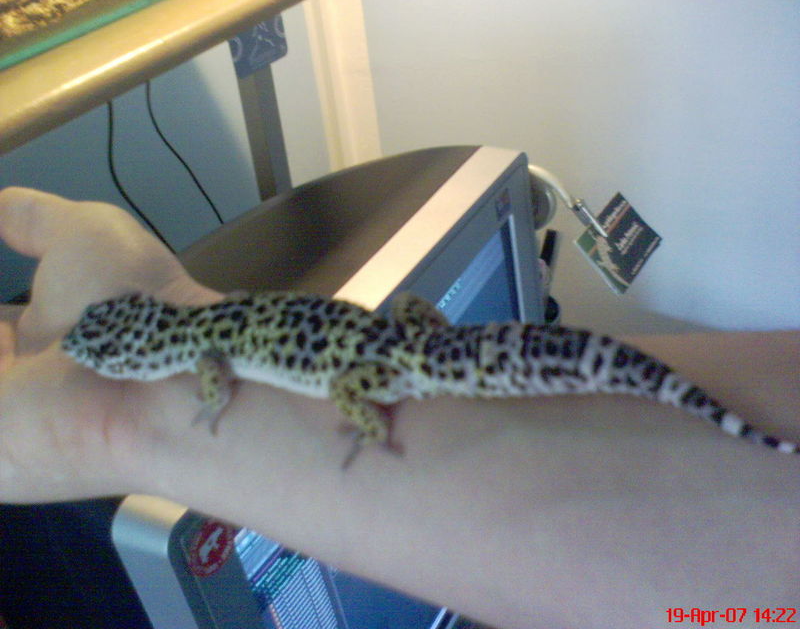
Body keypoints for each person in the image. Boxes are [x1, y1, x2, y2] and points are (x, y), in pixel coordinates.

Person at [0, 187, 796, 629]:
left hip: (380, 365)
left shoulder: (199, 361)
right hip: (399, 338)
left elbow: (216, 391)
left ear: (138, 356)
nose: (92, 355)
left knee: (358, 395)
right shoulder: (197, 339)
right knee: (473, 349)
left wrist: (148, 422)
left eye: (100, 352)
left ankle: (373, 420)